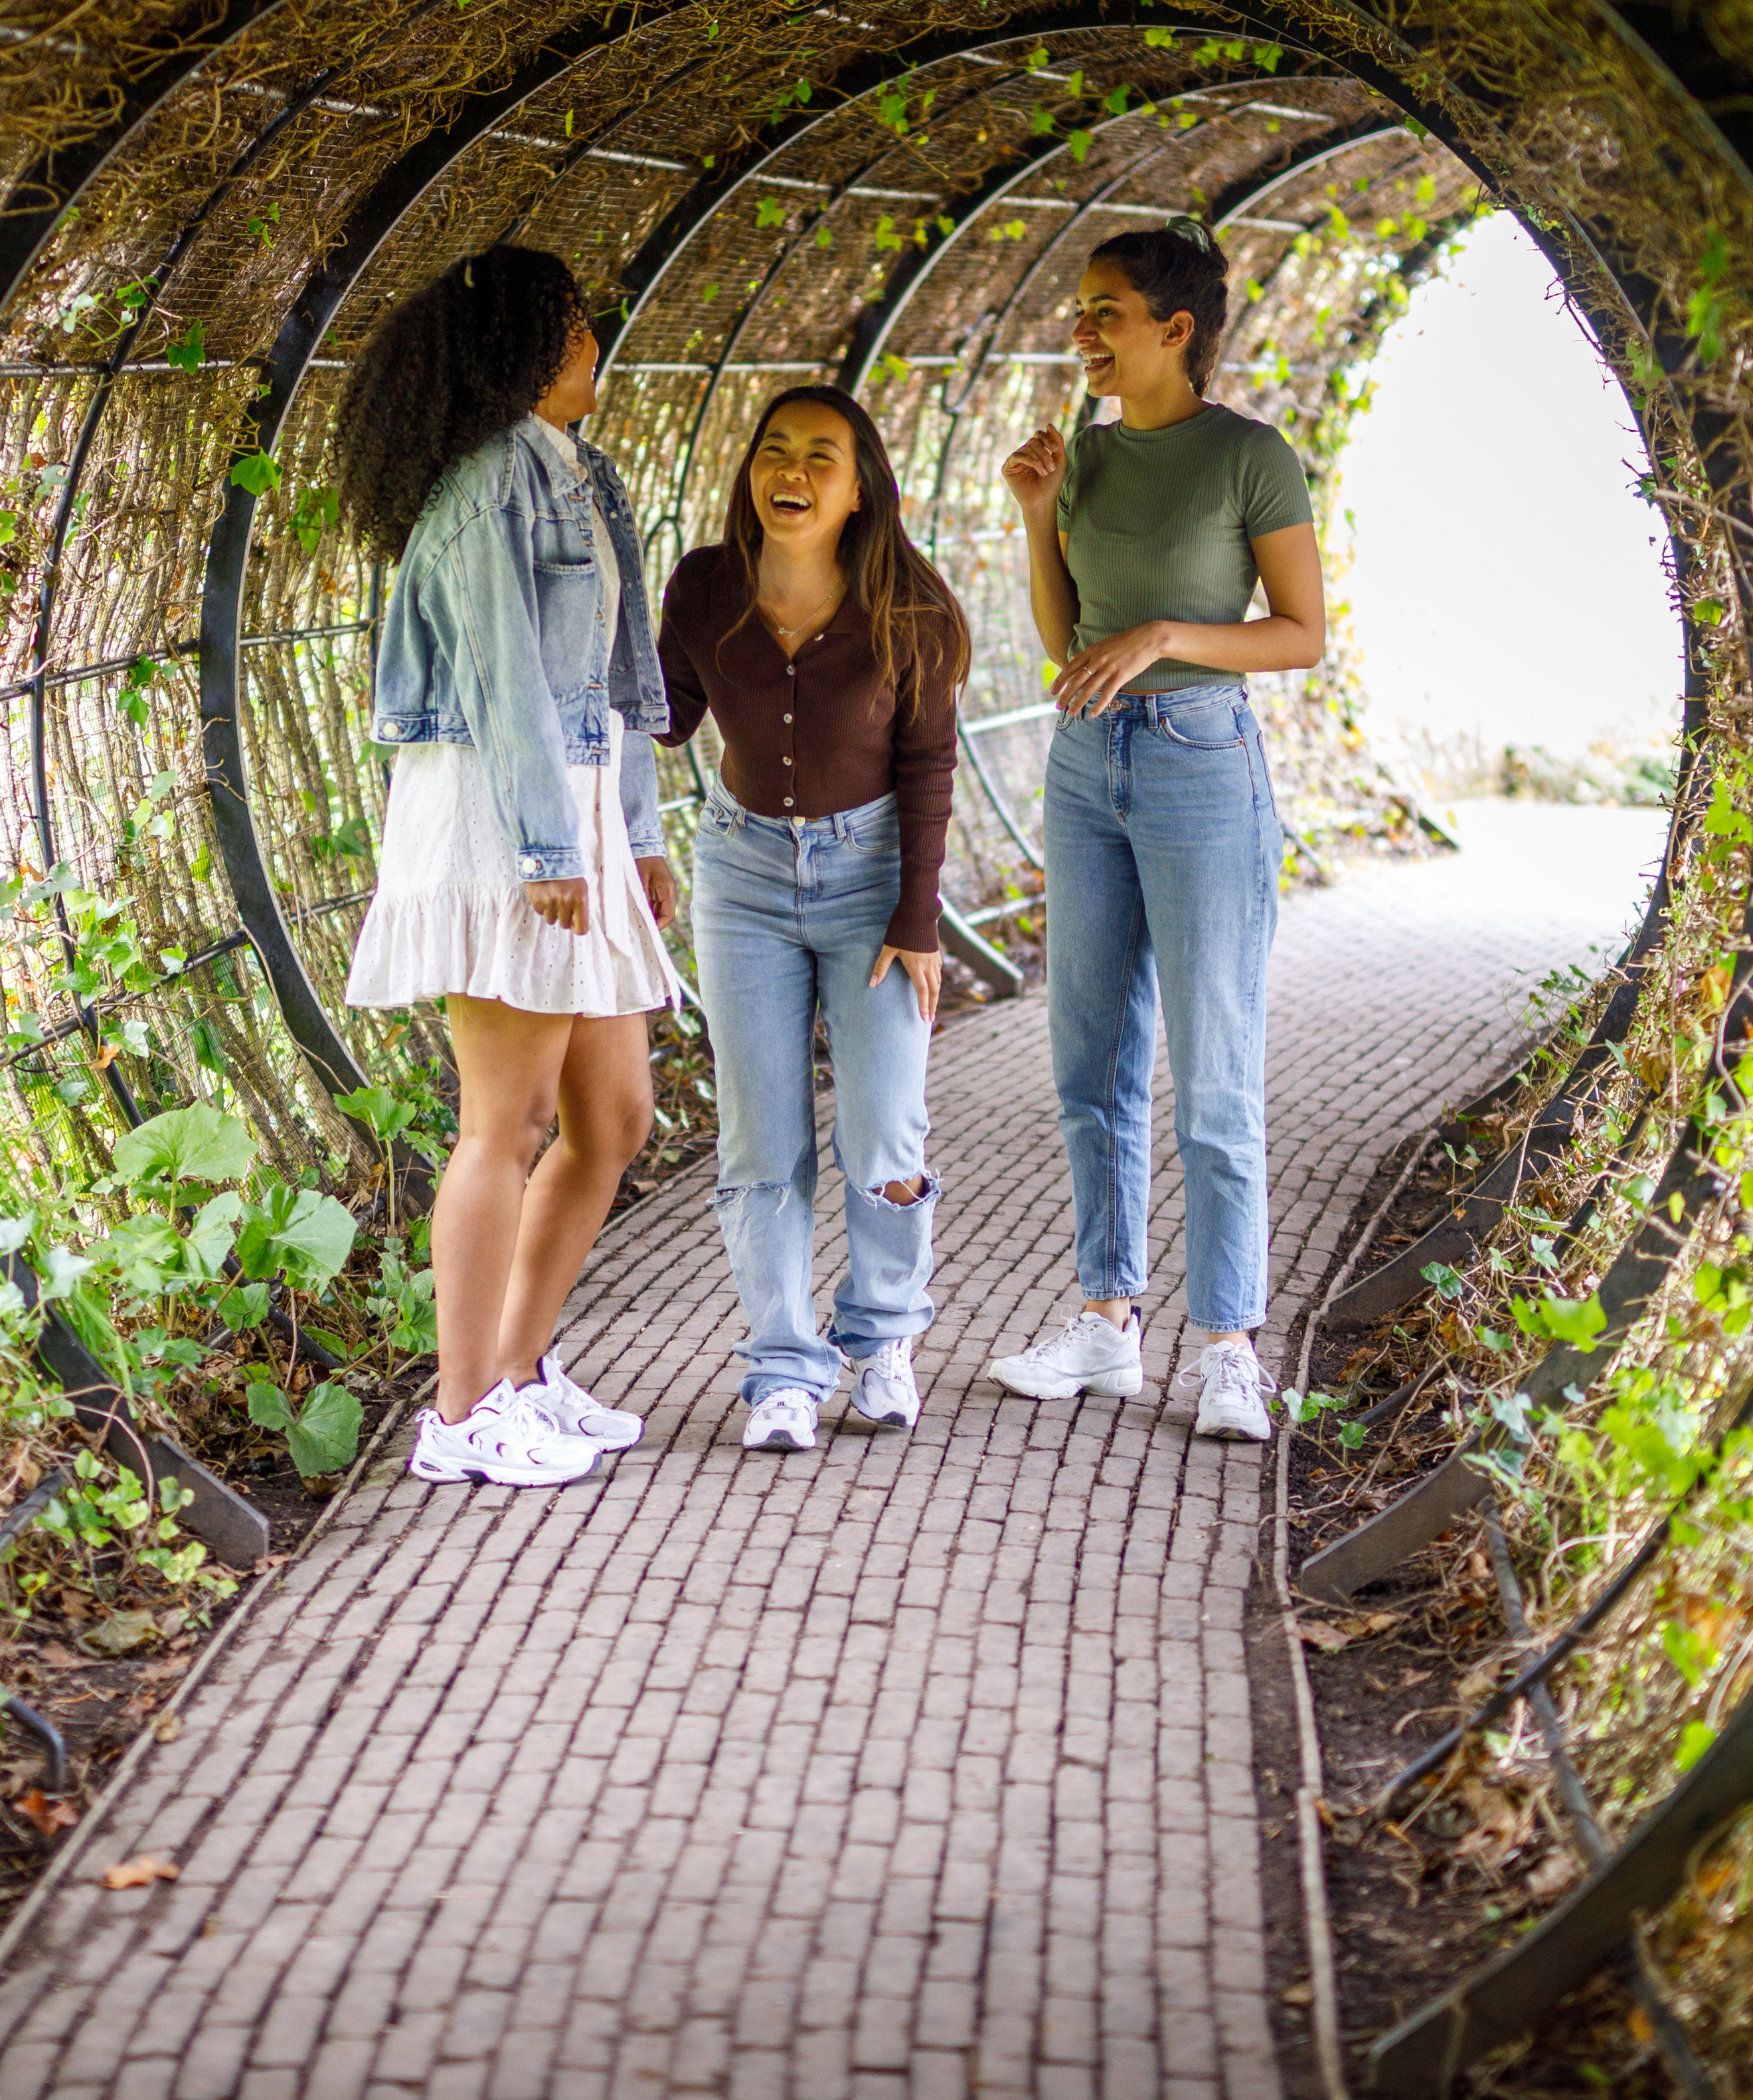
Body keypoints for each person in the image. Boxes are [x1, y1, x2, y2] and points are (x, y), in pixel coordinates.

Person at [337, 246, 682, 1487]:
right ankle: (461, 1409)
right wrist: (549, 844)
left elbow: (615, 686)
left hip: (575, 820)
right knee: (509, 1121)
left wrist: (634, 835)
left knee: (614, 1116)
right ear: (535, 347)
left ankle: (524, 1373)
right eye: (582, 324)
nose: (597, 343)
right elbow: (500, 681)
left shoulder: (582, 476)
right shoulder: (488, 486)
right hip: (503, 823)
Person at [985, 217, 1323, 1442]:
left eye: (1106, 310)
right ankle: (1107, 1322)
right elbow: (1068, 643)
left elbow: (1299, 636)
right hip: (1088, 766)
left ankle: (1230, 1343)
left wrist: (1168, 637)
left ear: (1177, 330)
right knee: (1090, 1063)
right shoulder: (1082, 453)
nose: (1082, 328)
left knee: (1213, 1071)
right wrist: (1035, 517)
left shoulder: (1252, 457)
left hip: (1200, 764)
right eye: (1079, 307)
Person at [654, 385, 969, 1453]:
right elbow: (663, 713)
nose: (791, 472)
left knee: (884, 1128)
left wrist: (917, 921)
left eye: (819, 458)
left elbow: (930, 766)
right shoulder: (705, 588)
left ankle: (880, 1341)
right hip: (740, 879)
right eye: (775, 452)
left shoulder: (913, 608)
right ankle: (783, 1367)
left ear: (859, 489)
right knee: (760, 1139)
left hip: (875, 880)